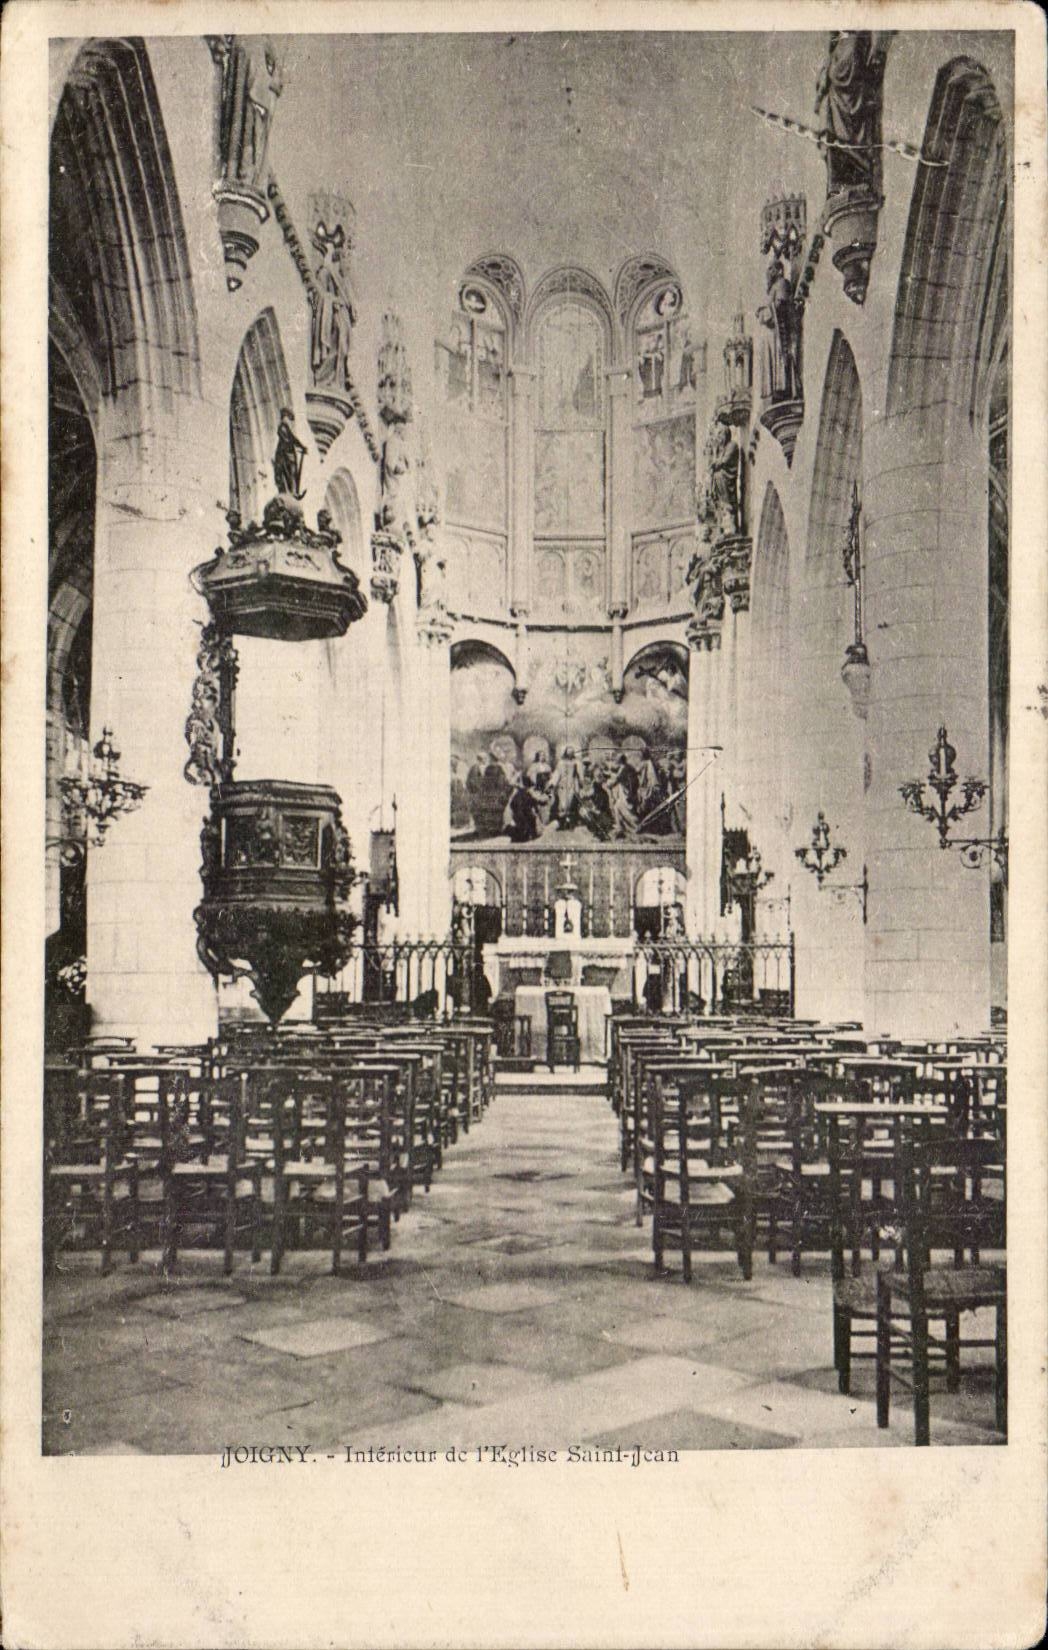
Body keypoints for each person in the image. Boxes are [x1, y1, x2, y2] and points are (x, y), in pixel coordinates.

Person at [273, 408, 307, 499]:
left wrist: (301, 446)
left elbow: (292, 438)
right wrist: (300, 446)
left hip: (289, 454)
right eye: (288, 417)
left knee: (292, 473)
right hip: (285, 455)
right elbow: (289, 439)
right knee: (288, 473)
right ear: (285, 416)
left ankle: (293, 491)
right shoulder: (282, 427)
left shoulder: (285, 427)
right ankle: (291, 491)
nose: (288, 420)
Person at [550, 746, 583, 831]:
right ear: (566, 752)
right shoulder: (561, 762)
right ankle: (562, 823)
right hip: (563, 785)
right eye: (568, 752)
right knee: (562, 804)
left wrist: (579, 784)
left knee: (571, 803)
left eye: (572, 752)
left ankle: (570, 823)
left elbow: (579, 774)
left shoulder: (576, 762)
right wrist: (553, 783)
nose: (570, 754)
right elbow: (557, 773)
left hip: (572, 784)